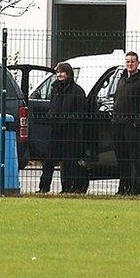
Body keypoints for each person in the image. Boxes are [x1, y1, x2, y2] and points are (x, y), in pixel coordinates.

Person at [39, 62, 88, 194]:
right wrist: (50, 116)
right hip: (56, 130)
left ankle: (67, 188)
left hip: (71, 132)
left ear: (68, 74)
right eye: (57, 72)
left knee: (69, 162)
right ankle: (43, 187)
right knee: (49, 161)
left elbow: (81, 113)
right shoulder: (54, 89)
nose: (59, 74)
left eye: (62, 72)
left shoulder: (78, 91)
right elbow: (53, 107)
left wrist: (68, 119)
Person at [112, 51, 140, 195]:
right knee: (122, 159)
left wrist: (137, 122)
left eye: (132, 61)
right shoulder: (121, 80)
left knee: (137, 159)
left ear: (137, 63)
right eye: (127, 61)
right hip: (118, 125)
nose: (130, 64)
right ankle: (124, 188)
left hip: (133, 126)